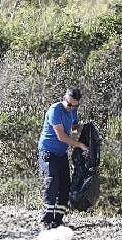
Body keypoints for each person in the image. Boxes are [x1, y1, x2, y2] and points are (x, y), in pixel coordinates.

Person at [37, 88, 88, 229]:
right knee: (52, 183)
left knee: (65, 186)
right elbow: (61, 136)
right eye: (69, 104)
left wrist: (79, 128)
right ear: (64, 98)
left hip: (61, 154)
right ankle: (46, 220)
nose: (70, 107)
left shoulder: (73, 111)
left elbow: (73, 126)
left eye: (74, 105)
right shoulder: (55, 110)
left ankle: (58, 220)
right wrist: (78, 145)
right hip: (48, 152)